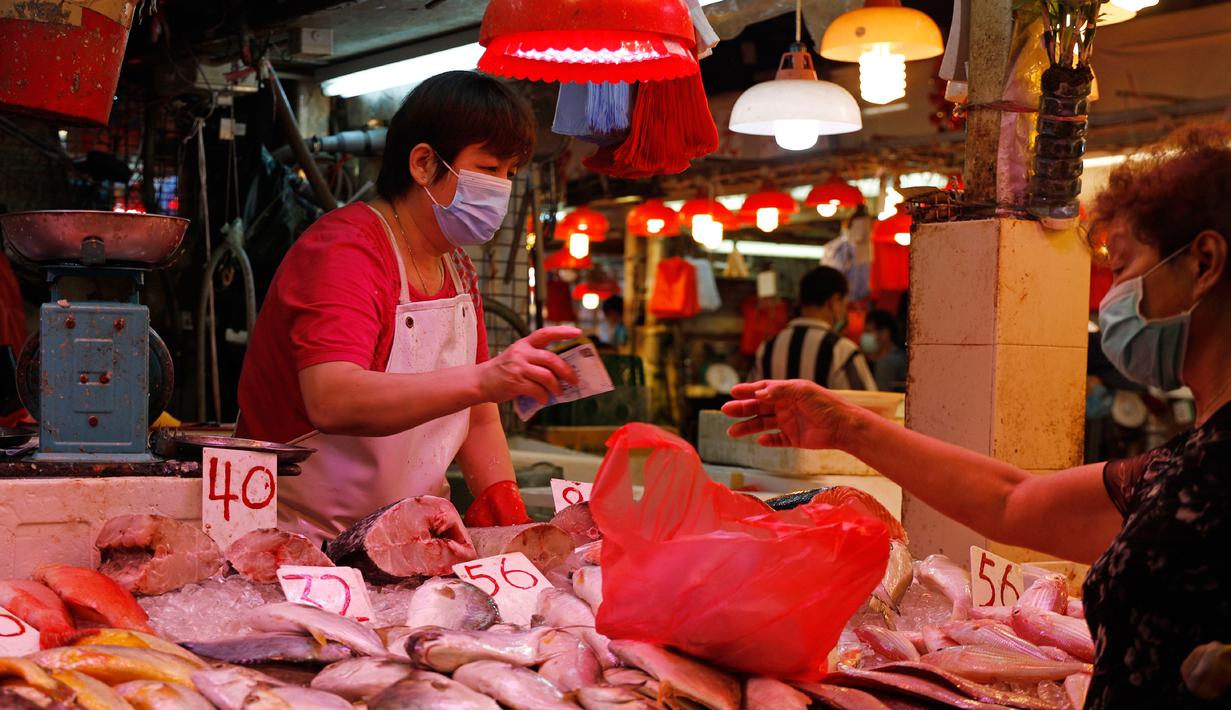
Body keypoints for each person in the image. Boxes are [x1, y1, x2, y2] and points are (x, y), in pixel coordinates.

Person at [723, 125, 1231, 707]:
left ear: (1204, 262)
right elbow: (1009, 501)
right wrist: (845, 426)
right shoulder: (1182, 467)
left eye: (1120, 268)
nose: (1109, 299)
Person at [237, 71, 580, 544]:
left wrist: (508, 516)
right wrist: (485, 379)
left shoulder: (456, 266)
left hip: (409, 539)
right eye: (488, 168)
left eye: (510, 173)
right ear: (423, 163)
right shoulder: (346, 249)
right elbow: (332, 399)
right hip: (298, 539)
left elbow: (479, 415)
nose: (501, 188)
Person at [750, 265, 876, 390]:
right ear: (834, 301)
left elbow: (751, 394)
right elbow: (865, 400)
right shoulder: (842, 351)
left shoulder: (767, 348)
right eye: (844, 304)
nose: (844, 311)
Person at [861, 309, 907, 392]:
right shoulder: (900, 356)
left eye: (869, 331)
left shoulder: (887, 362)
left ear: (885, 333)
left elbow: (879, 394)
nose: (864, 336)